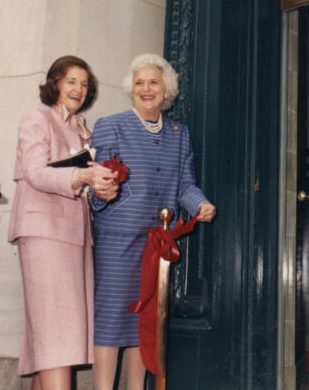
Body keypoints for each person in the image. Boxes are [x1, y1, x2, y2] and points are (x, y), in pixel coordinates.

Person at [90, 53, 217, 389]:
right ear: (131, 90)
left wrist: (200, 204)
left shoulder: (179, 134)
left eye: (153, 82)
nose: (146, 88)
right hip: (117, 241)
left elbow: (184, 185)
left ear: (167, 90)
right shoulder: (111, 125)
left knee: (142, 322)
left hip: (155, 244)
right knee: (110, 321)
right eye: (139, 83)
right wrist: (103, 191)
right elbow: (97, 183)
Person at [8, 55, 118, 389]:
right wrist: (83, 174)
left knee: (55, 335)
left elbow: (81, 188)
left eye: (84, 84)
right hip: (43, 234)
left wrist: (102, 191)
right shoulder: (36, 119)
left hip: (73, 238)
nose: (78, 89)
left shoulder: (84, 131)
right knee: (56, 334)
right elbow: (35, 172)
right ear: (55, 82)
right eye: (71, 80)